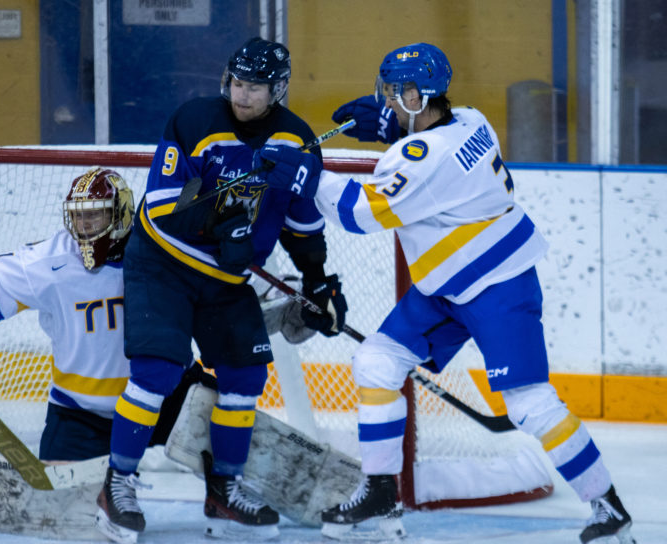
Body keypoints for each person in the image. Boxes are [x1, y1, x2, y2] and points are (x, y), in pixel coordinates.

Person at [257, 43, 636, 544]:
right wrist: (392, 126)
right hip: (446, 286)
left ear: (416, 95)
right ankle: (381, 493)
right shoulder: (472, 120)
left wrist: (305, 176)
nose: (387, 100)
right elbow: (428, 150)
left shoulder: (425, 158)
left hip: (498, 284)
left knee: (528, 404)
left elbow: (361, 213)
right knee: (377, 362)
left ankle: (608, 509)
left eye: (395, 93)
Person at [95, 37, 348, 543]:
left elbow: (302, 222)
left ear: (276, 89)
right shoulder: (194, 120)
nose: (243, 95)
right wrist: (222, 222)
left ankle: (224, 490)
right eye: (237, 83)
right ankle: (117, 484)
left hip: (226, 280)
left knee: (245, 376)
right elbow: (167, 200)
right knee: (157, 372)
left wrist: (318, 281)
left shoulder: (297, 140)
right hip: (163, 264)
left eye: (255, 87)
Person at [0, 166, 212, 462]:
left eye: (94, 215)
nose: (83, 226)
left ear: (120, 212)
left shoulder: (162, 249)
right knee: (54, 503)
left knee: (232, 469)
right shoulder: (54, 261)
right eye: (77, 215)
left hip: (169, 401)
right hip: (81, 416)